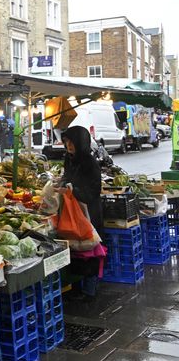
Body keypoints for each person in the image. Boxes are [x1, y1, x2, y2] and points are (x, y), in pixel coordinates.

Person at [59, 125, 103, 300]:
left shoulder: (89, 162)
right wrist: (61, 184)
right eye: (67, 142)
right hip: (72, 209)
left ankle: (90, 289)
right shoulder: (68, 159)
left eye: (72, 142)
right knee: (76, 249)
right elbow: (67, 178)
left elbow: (94, 191)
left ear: (81, 142)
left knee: (90, 249)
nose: (69, 146)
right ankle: (76, 286)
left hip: (89, 211)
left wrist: (73, 190)